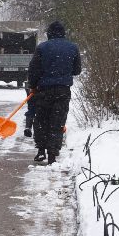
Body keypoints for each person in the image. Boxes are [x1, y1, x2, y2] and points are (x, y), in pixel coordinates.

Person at [27, 20, 81, 164]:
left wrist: (33, 85)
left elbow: (33, 70)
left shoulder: (42, 48)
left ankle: (41, 150)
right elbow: (77, 70)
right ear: (63, 33)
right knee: (57, 122)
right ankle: (52, 154)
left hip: (44, 91)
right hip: (63, 91)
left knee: (41, 120)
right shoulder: (73, 48)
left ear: (49, 33)